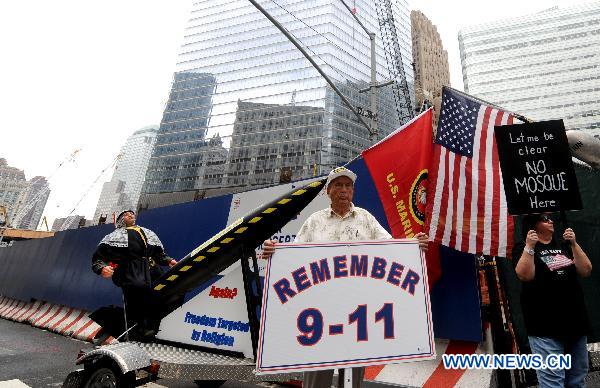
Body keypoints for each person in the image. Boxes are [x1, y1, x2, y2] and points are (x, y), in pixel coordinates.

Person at [262, 166, 429, 388]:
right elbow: (292, 257)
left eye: (348, 186)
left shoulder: (366, 219)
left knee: (352, 380)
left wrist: (413, 245)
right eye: (338, 185)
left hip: (358, 314)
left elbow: (391, 249)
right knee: (316, 379)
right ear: (328, 191)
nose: (344, 190)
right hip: (321, 314)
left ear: (353, 191)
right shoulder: (315, 222)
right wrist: (274, 251)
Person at [512, 212, 592, 388]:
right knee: (552, 383)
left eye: (550, 218)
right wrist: (530, 246)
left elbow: (586, 270)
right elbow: (524, 275)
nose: (550, 221)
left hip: (576, 325)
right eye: (544, 218)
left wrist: (574, 244)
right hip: (545, 329)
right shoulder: (522, 248)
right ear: (533, 224)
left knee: (577, 380)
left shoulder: (564, 246)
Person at [92, 210, 176, 337]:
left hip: (152, 271)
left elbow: (158, 254)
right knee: (135, 301)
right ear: (120, 219)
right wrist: (102, 268)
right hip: (130, 272)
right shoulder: (114, 237)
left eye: (132, 213)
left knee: (160, 296)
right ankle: (131, 332)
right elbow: (99, 257)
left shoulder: (147, 232)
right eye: (126, 214)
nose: (131, 215)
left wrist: (168, 260)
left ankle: (150, 329)